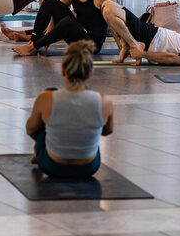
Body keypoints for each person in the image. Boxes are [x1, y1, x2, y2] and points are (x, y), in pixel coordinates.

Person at [25, 40, 114, 179]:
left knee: (43, 120)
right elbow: (107, 131)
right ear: (91, 72)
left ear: (63, 70)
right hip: (88, 168)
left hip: (53, 166)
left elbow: (30, 129)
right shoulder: (104, 101)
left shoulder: (46, 98)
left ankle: (38, 152)